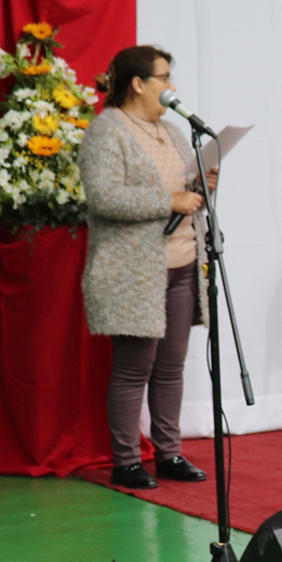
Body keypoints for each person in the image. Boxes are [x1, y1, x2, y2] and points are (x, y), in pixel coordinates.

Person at [79, 46, 213, 491]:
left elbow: (185, 193)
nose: (172, 86)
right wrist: (168, 200)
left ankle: (169, 453)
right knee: (134, 367)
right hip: (133, 271)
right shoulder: (107, 130)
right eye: (164, 77)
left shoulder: (172, 132)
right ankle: (126, 461)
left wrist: (203, 187)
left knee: (171, 366)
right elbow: (103, 197)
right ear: (138, 84)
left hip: (182, 264)